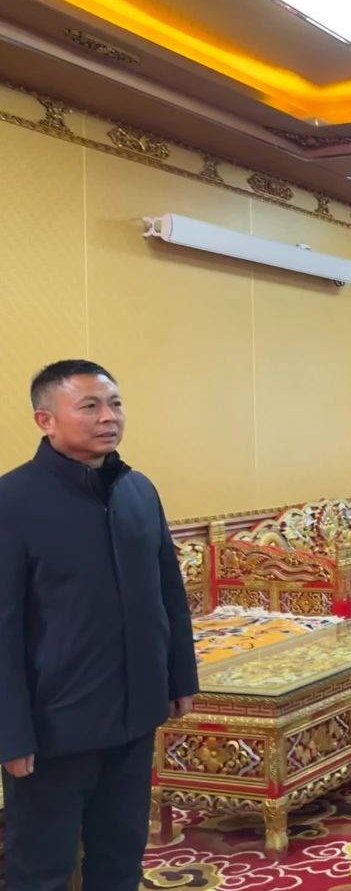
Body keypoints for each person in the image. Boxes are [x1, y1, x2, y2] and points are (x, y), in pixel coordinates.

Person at [0, 360, 199, 891]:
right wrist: (10, 732)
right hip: (54, 727)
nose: (108, 417)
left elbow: (168, 594)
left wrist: (179, 677)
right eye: (89, 406)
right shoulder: (12, 501)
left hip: (135, 714)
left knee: (120, 858)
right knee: (41, 869)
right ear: (45, 420)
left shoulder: (138, 491)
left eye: (115, 404)